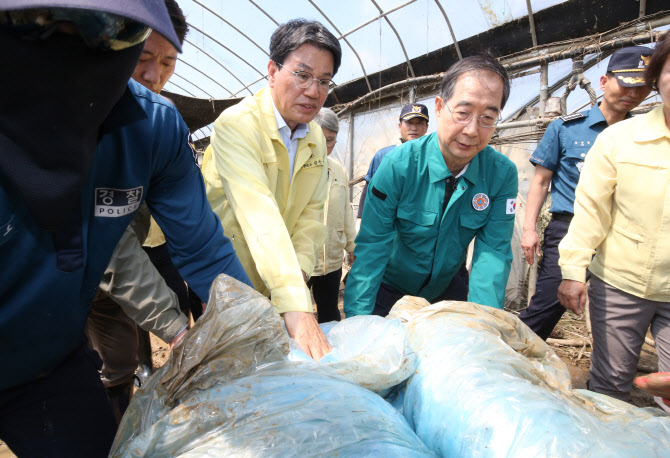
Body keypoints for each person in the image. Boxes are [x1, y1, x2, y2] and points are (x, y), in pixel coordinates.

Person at [0, 2, 251, 456]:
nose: (69, 49)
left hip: (46, 360)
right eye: (38, 27)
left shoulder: (152, 127)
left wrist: (249, 333)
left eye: (104, 32)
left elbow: (201, 245)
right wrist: (176, 326)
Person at [202, 19, 342, 361]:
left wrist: (300, 275)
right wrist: (296, 305)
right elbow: (258, 214)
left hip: (280, 281)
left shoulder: (314, 140)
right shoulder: (237, 125)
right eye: (303, 75)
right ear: (272, 70)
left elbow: (310, 218)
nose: (313, 91)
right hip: (229, 283)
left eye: (324, 81)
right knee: (231, 371)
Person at [344, 54, 518, 318]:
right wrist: (358, 322)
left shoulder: (500, 174)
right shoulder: (398, 165)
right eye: (463, 113)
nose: (472, 130)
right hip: (390, 286)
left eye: (487, 118)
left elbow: (492, 254)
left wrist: (485, 327)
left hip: (446, 288)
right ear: (439, 108)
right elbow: (372, 249)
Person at [85, 0, 192, 422]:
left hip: (114, 276)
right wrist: (176, 328)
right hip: (47, 281)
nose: (154, 75)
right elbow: (108, 243)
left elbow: (197, 229)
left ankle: (119, 428)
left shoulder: (160, 124)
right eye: (143, 57)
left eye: (168, 62)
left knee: (119, 362)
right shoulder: (75, 117)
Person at [557, 33, 669, 414]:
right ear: (658, 77)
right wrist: (573, 269)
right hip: (620, 282)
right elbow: (590, 209)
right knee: (610, 391)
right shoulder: (621, 139)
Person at [519, 46, 653, 340]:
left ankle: (606, 381)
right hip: (570, 228)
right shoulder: (566, 129)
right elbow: (540, 182)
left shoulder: (645, 134)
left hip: (623, 234)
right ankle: (509, 362)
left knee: (617, 317)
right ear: (604, 82)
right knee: (546, 307)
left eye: (642, 87)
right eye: (626, 84)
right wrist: (530, 229)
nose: (633, 93)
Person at [308, 108, 356, 323]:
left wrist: (352, 246)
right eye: (320, 138)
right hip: (302, 258)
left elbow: (346, 210)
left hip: (331, 259)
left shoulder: (337, 170)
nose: (326, 145)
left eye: (331, 139)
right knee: (296, 315)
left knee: (329, 314)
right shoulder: (295, 168)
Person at [357, 103, 429, 218]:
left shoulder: (434, 158)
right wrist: (360, 218)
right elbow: (368, 190)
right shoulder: (383, 156)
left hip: (422, 223)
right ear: (400, 126)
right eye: (409, 123)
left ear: (426, 127)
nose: (414, 128)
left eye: (419, 123)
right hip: (387, 221)